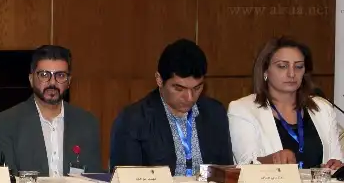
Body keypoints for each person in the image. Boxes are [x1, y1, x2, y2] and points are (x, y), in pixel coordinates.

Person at [109, 39, 233, 174]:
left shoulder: (215, 113)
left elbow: (225, 174)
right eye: (179, 89)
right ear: (159, 80)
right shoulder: (133, 120)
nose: (190, 98)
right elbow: (128, 180)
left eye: (197, 88)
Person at [0, 44, 102, 175]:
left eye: (60, 75)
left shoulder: (87, 123)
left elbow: (93, 179)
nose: (52, 83)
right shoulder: (5, 123)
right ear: (31, 79)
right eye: (44, 75)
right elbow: (3, 181)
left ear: (69, 81)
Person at [227, 37, 342, 169]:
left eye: (298, 67)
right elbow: (244, 165)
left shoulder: (322, 108)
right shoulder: (243, 109)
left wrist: (336, 165)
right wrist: (273, 159)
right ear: (265, 70)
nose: (292, 74)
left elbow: (337, 159)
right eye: (282, 66)